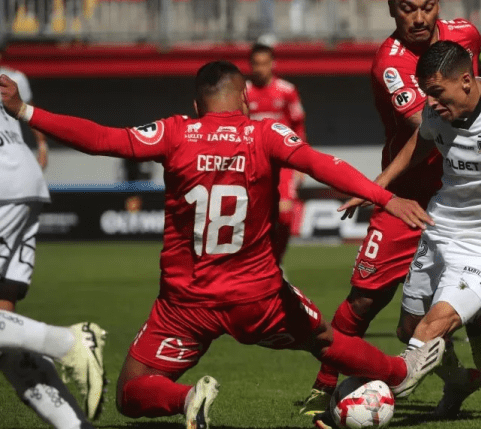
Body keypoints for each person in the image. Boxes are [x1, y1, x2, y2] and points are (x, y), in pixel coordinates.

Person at [0, 60, 446, 429]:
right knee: (325, 340)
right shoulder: (264, 134)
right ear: (247, 101)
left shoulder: (175, 132)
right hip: (258, 298)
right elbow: (319, 163)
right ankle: (399, 371)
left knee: (131, 390)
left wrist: (25, 111)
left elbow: (101, 140)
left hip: (185, 304)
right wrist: (385, 197)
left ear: (196, 104)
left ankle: (185, 398)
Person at [301, 0, 481, 418]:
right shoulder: (393, 64)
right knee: (371, 302)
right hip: (411, 198)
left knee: (447, 316)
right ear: (392, 10)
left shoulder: (465, 36)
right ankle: (441, 372)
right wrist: (376, 188)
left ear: (438, 3)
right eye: (407, 9)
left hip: (469, 203)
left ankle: (386, 383)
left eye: (427, 7)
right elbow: (420, 125)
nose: (419, 18)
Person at [0, 66, 106, 427]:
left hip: (2, 188)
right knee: (5, 335)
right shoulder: (8, 72)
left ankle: (70, 343)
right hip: (20, 181)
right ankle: (74, 425)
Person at [245, 43, 307, 264]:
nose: (260, 68)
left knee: (285, 216)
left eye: (264, 63)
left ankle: (275, 262)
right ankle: (256, 263)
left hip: (283, 164)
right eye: (256, 64)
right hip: (252, 164)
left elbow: (298, 126)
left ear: (272, 64)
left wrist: (301, 162)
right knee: (253, 218)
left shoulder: (286, 90)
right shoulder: (243, 93)